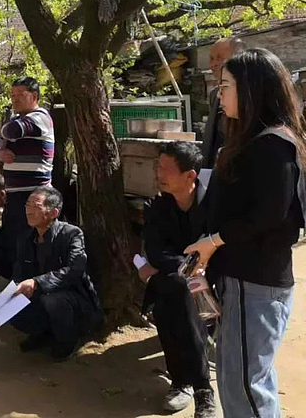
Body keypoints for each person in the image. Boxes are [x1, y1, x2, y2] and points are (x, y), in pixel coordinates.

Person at [184, 48, 306, 418]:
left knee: (245, 388)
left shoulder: (274, 145)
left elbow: (269, 215)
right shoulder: (249, 142)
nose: (219, 94)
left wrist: (213, 242)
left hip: (255, 283)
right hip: (241, 281)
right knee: (242, 380)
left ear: (252, 89)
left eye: (226, 86)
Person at [138, 142, 216, 417]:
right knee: (177, 292)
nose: (159, 174)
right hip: (177, 279)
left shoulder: (214, 203)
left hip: (212, 277)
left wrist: (196, 268)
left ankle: (184, 382)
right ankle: (201, 387)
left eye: (166, 169)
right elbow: (156, 252)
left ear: (190, 175)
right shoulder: (156, 206)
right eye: (158, 166)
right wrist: (189, 267)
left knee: (171, 297)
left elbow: (219, 244)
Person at [0, 77, 55, 279]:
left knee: (28, 248)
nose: (15, 100)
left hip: (34, 196)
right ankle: (18, 285)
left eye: (20, 95)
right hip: (15, 196)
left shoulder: (39, 118)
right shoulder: (18, 118)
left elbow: (10, 131)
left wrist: (2, 135)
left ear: (34, 96)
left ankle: (30, 287)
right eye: (12, 95)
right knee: (12, 246)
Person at [7, 185, 101, 361]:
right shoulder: (25, 238)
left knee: (52, 300)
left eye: (36, 206)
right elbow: (19, 271)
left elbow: (74, 270)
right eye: (28, 205)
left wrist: (37, 282)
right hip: (41, 296)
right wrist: (14, 289)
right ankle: (41, 333)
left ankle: (67, 341)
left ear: (54, 212)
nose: (29, 211)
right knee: (4, 301)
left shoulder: (72, 234)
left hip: (73, 300)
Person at [202, 37, 243, 168]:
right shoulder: (214, 95)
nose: (213, 64)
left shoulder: (247, 97)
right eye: (211, 59)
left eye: (219, 58)